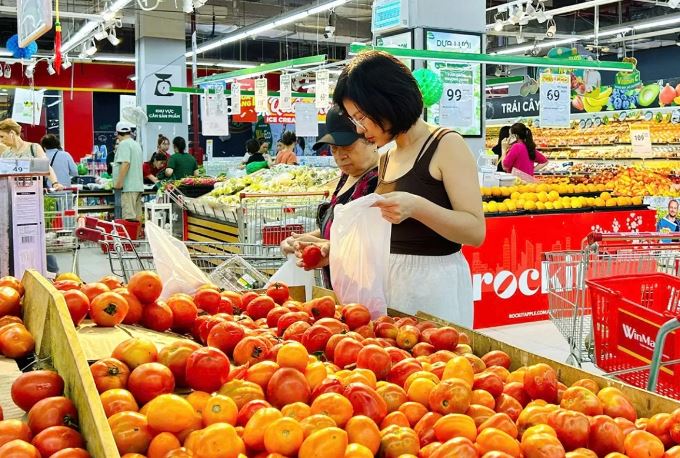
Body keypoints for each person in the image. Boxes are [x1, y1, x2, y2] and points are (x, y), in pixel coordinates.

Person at [297, 51, 485, 327]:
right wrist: (332, 251)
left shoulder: (446, 145)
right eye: (355, 121)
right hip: (389, 284)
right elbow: (384, 237)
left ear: (386, 101)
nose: (360, 130)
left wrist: (417, 207)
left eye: (362, 117)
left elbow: (475, 231)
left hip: (434, 287)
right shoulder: (386, 157)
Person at [281, 105, 379, 288]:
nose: (340, 156)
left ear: (372, 140)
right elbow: (338, 226)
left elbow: (373, 245)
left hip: (365, 289)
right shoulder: (347, 176)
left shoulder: (380, 182)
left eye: (347, 146)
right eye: (334, 149)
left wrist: (323, 244)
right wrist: (300, 240)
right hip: (340, 288)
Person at [0, 119, 64, 190]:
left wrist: (55, 183)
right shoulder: (5, 154)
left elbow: (46, 167)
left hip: (33, 193)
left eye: (2, 136)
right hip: (12, 193)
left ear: (12, 133)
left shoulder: (33, 148)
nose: (1, 140)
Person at [112, 121, 144, 221]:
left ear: (117, 133)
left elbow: (125, 164)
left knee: (129, 218)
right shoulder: (136, 144)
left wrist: (119, 183)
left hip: (128, 187)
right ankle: (136, 236)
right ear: (130, 132)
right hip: (138, 186)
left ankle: (130, 237)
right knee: (137, 216)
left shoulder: (123, 144)